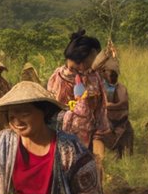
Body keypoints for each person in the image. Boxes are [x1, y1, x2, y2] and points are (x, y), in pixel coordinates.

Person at [47, 30, 110, 170]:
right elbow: (51, 115)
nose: (95, 60)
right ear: (83, 58)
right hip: (62, 143)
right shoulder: (57, 79)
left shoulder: (94, 77)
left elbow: (100, 110)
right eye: (93, 56)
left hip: (90, 140)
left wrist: (98, 145)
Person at [101, 59, 133, 158]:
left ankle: (122, 155)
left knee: (126, 134)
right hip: (105, 121)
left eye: (115, 74)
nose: (114, 77)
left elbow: (124, 102)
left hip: (120, 120)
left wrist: (112, 106)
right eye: (111, 74)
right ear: (103, 73)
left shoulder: (121, 88)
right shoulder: (100, 86)